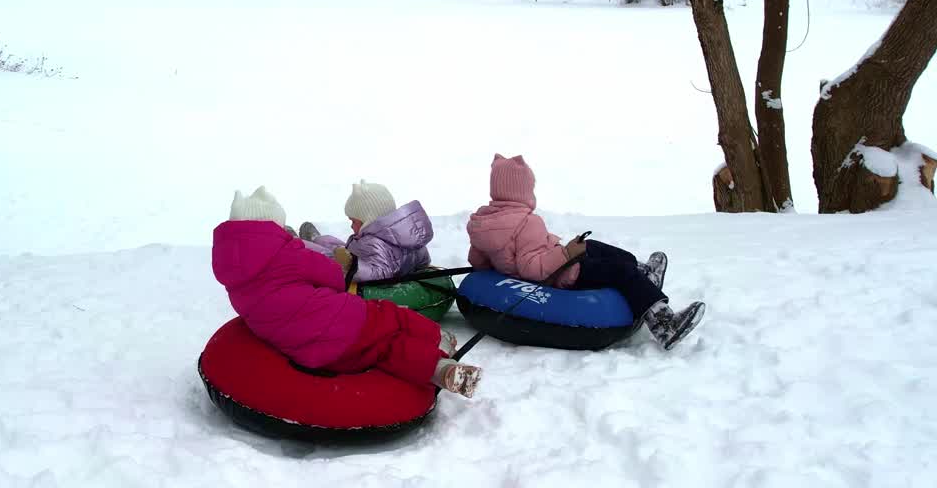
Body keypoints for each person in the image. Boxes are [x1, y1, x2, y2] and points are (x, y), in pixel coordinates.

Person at [213, 186, 481, 397]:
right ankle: (438, 341)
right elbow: (333, 278)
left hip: (308, 350)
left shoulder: (233, 276)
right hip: (342, 318)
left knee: (381, 350)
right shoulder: (290, 255)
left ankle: (440, 369)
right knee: (389, 318)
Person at [466, 155, 705, 350]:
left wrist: (506, 264)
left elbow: (478, 261)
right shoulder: (528, 221)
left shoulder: (483, 222)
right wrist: (568, 253)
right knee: (620, 272)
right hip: (564, 276)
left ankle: (644, 272)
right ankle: (664, 324)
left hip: (554, 262)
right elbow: (533, 269)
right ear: (523, 190)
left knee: (593, 247)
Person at [298, 180, 433, 283]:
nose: (351, 226)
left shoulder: (373, 242)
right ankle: (318, 239)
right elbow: (423, 260)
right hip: (361, 256)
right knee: (331, 243)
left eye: (354, 221)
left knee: (327, 255)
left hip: (355, 266)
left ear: (368, 220)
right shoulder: (408, 236)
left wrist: (351, 265)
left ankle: (295, 243)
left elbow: (378, 273)